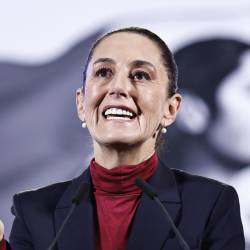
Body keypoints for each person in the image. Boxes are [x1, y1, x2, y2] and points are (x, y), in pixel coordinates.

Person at [0, 27, 245, 250]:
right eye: (104, 72)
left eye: (141, 76)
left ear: (171, 109)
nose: (119, 89)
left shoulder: (215, 205)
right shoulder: (33, 209)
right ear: (81, 104)